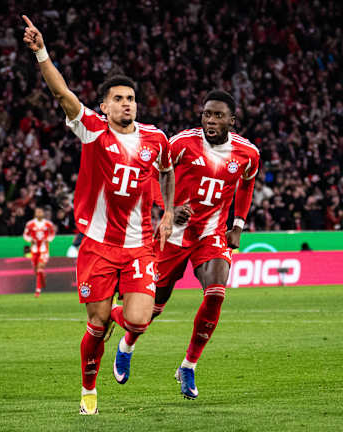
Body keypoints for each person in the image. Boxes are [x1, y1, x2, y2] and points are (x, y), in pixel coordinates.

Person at [22, 15, 175, 415]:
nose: (126, 104)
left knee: (139, 320)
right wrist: (41, 51)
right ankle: (89, 388)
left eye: (131, 99)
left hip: (139, 244)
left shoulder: (156, 139)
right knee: (98, 323)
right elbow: (62, 94)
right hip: (99, 246)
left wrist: (169, 211)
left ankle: (124, 347)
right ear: (104, 105)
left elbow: (168, 171)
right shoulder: (91, 128)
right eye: (118, 99)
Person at [111, 90, 260, 400]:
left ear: (232, 120)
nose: (211, 120)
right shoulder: (180, 143)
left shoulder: (248, 153)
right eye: (207, 114)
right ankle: (127, 344)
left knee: (216, 294)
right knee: (152, 309)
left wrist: (238, 225)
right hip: (173, 236)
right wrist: (167, 208)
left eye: (218, 115)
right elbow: (151, 173)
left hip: (211, 235)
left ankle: (189, 366)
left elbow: (247, 183)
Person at [23, 207, 56, 297]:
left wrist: (48, 239)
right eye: (37, 212)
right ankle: (42, 281)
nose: (39, 213)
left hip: (44, 249)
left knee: (39, 268)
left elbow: (52, 234)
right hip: (34, 249)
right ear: (35, 213)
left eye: (40, 212)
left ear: (43, 213)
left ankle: (37, 291)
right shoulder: (30, 224)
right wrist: (30, 239)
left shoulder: (48, 224)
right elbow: (25, 235)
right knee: (36, 270)